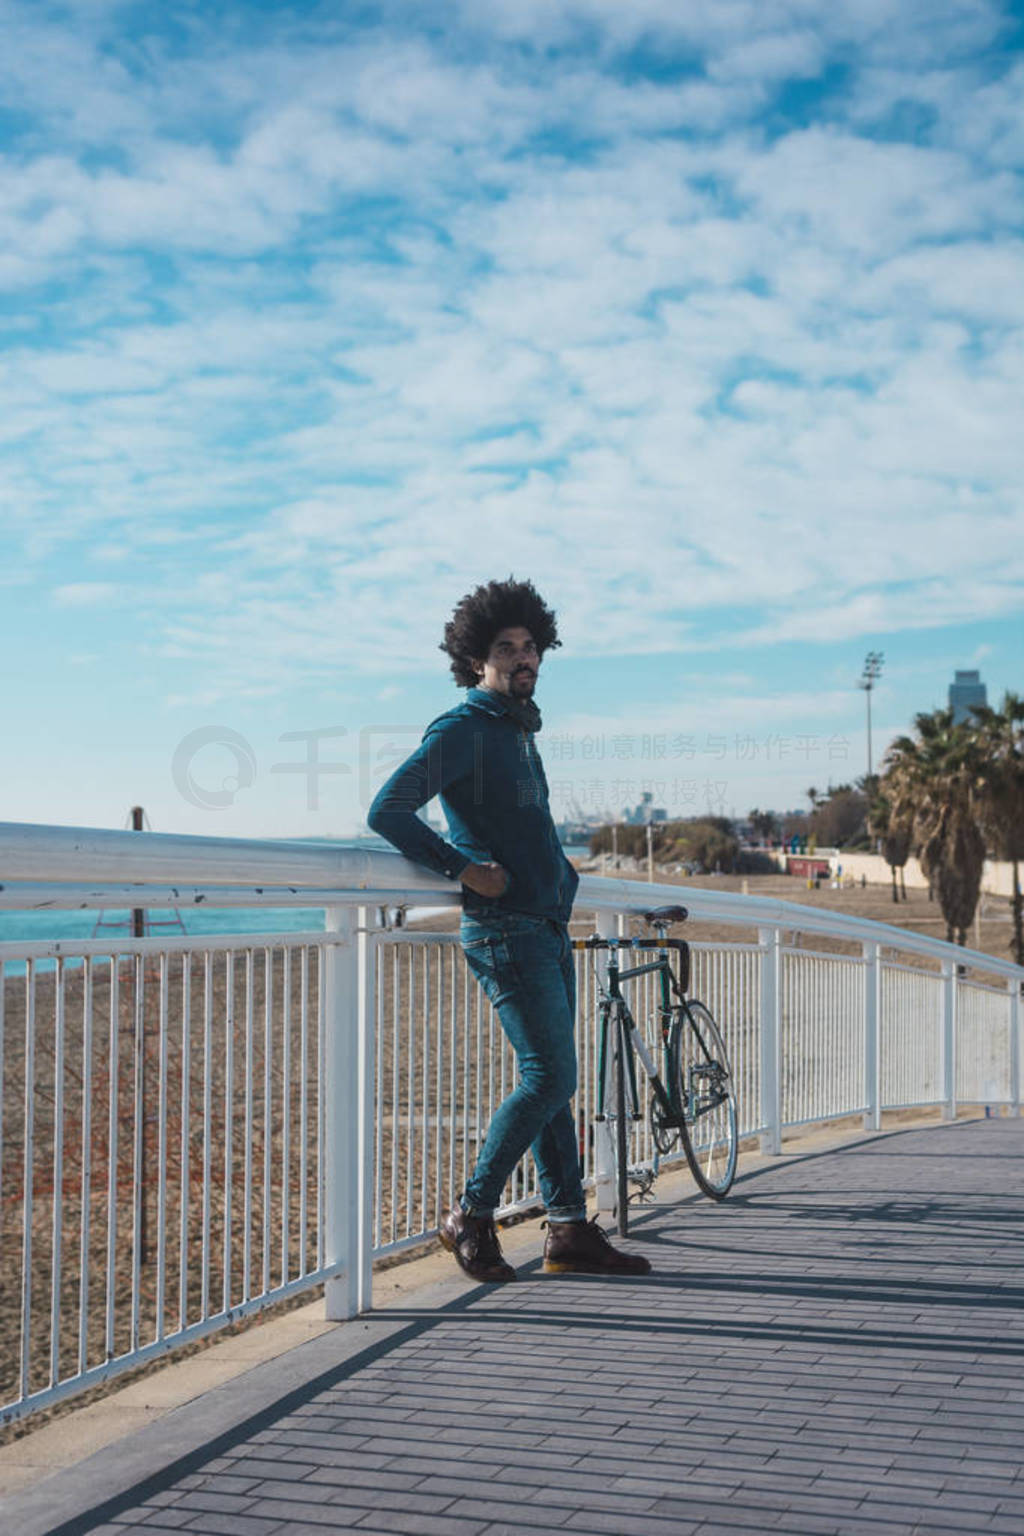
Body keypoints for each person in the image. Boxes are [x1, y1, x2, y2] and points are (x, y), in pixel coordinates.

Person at [368, 577, 650, 1282]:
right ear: (474, 660)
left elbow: (523, 826)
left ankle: (567, 1229)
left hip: (546, 925)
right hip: (503, 929)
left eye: (530, 647)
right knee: (551, 1074)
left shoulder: (518, 732)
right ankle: (470, 1212)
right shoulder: (462, 729)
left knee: (552, 1085)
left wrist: (561, 870)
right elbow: (388, 810)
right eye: (506, 649)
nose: (523, 659)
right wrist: (461, 868)